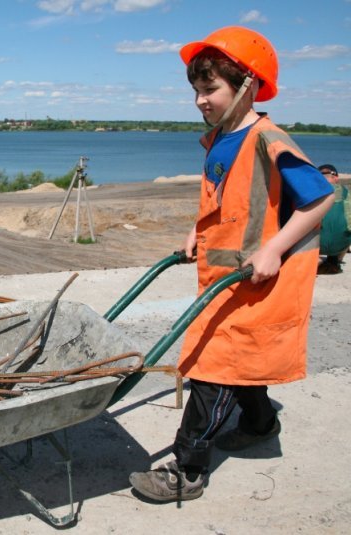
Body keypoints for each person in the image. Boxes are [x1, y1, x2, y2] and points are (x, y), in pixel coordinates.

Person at [129, 26, 334, 503]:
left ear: (248, 85)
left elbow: (320, 198)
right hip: (224, 276)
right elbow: (226, 200)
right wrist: (196, 233)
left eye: (210, 89)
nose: (200, 100)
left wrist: (273, 249)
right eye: (196, 91)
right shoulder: (222, 138)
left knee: (211, 368)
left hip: (256, 279)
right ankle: (261, 423)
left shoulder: (268, 139)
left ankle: (188, 468)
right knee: (241, 361)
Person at [317, 164, 351, 274]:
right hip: (341, 244)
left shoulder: (313, 192)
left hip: (317, 245)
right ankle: (335, 260)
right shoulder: (347, 193)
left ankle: (314, 258)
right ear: (335, 178)